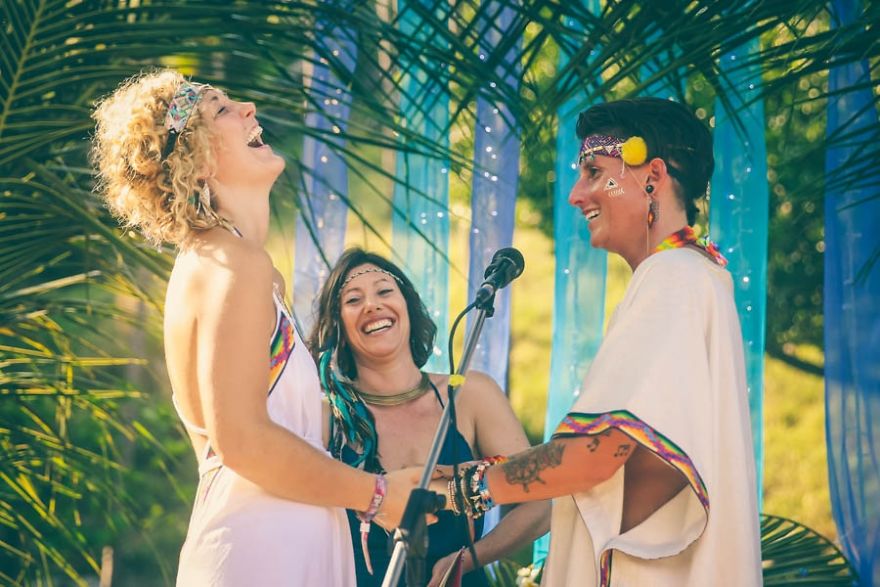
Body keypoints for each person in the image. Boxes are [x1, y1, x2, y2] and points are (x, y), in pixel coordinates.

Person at [91, 70, 420, 586]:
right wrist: (378, 496)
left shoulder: (226, 262)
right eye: (221, 109)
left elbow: (281, 432)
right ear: (195, 160)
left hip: (280, 538)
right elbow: (241, 440)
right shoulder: (234, 263)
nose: (248, 105)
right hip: (261, 552)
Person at [433, 98, 762, 586]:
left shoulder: (673, 279)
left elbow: (598, 457)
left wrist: (463, 487)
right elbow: (625, 473)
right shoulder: (693, 277)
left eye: (592, 171)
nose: (575, 194)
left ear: (652, 176)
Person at [308, 249, 550, 586]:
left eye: (384, 291)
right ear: (338, 327)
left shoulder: (471, 395)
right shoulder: (328, 417)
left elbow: (539, 502)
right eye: (353, 299)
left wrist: (470, 558)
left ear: (407, 305)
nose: (372, 305)